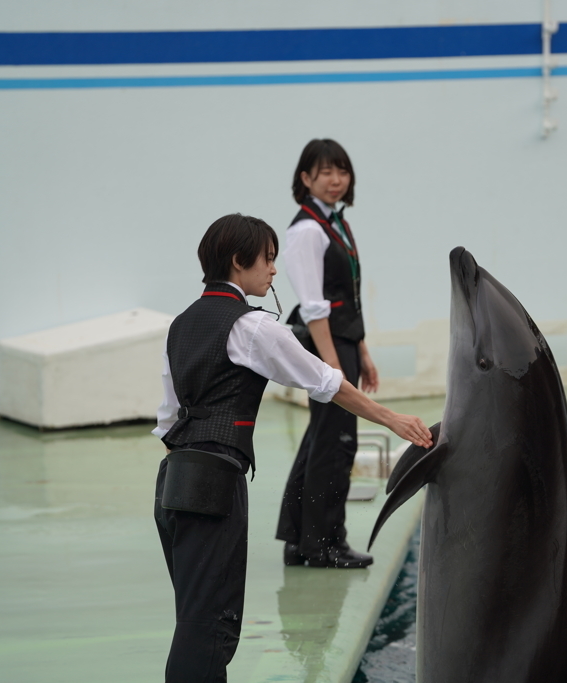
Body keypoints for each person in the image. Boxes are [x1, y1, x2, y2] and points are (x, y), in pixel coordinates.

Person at [152, 213, 431, 683]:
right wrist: (393, 419)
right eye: (268, 260)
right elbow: (328, 383)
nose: (274, 271)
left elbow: (167, 419)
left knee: (194, 616)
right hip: (214, 485)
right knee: (210, 625)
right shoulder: (254, 327)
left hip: (172, 484)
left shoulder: (180, 324)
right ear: (240, 262)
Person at [276, 139, 381, 569]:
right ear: (306, 179)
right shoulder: (306, 230)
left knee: (323, 440)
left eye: (342, 171)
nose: (336, 180)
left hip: (341, 342)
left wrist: (362, 351)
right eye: (325, 173)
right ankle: (324, 545)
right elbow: (314, 304)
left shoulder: (334, 223)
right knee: (336, 444)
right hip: (326, 347)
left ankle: (302, 539)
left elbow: (344, 297)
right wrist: (332, 367)